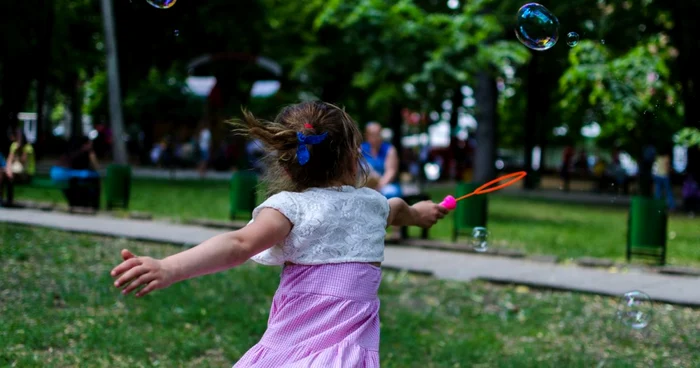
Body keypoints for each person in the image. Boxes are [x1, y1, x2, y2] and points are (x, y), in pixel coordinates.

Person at [109, 101, 447, 367]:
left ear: (286, 165)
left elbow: (238, 243)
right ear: (352, 157)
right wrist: (422, 215)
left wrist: (171, 267)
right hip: (337, 353)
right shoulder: (373, 204)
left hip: (297, 348)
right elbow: (401, 208)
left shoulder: (292, 206)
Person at [54, 136, 101, 210]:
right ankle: (93, 205)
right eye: (90, 143)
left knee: (79, 181)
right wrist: (92, 156)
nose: (91, 145)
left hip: (56, 173)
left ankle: (77, 203)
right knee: (94, 179)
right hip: (66, 174)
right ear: (85, 144)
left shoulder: (72, 150)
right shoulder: (85, 152)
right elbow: (96, 167)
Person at [361, 122, 401, 198]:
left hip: (385, 185)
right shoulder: (361, 149)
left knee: (390, 192)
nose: (377, 137)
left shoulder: (390, 150)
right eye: (373, 134)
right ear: (367, 136)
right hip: (365, 185)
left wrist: (379, 186)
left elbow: (391, 172)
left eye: (378, 134)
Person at [1, 131, 35, 206]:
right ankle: (4, 200)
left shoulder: (28, 147)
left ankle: (9, 201)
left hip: (27, 173)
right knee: (4, 175)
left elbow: (23, 162)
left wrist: (18, 150)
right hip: (14, 172)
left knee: (8, 177)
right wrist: (8, 170)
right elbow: (9, 160)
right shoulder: (13, 145)